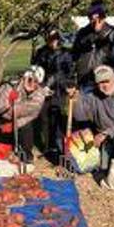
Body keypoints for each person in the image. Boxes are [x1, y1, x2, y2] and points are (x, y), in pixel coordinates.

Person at [68, 65, 114, 169]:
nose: (105, 85)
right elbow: (80, 117)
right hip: (104, 136)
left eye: (107, 81)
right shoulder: (92, 96)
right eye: (100, 83)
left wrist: (105, 133)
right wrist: (76, 100)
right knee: (103, 168)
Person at [0, 66, 48, 171]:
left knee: (27, 129)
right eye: (29, 80)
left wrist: (14, 125)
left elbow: (32, 115)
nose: (32, 84)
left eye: (36, 82)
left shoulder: (40, 94)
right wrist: (8, 102)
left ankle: (27, 157)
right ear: (24, 78)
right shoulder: (10, 86)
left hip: (20, 120)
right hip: (2, 115)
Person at [32, 29, 74, 162]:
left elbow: (70, 72)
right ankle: (47, 147)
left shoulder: (66, 53)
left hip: (59, 90)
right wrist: (42, 85)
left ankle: (58, 149)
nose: (52, 41)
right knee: (44, 118)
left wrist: (67, 85)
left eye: (55, 38)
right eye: (50, 38)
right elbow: (36, 69)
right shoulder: (41, 52)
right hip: (44, 89)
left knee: (57, 118)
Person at [72, 1, 114, 92]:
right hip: (84, 80)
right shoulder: (83, 33)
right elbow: (74, 55)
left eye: (99, 18)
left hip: (104, 80)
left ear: (104, 17)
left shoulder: (113, 34)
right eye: (92, 18)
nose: (96, 22)